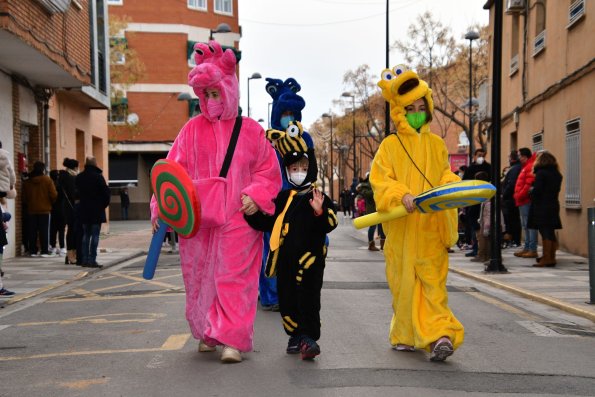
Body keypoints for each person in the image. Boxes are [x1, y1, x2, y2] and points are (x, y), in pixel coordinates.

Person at [150, 41, 281, 364]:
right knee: (200, 279)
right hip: (198, 220)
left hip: (237, 216)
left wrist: (256, 195)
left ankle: (232, 339)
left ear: (229, 90)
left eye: (215, 93)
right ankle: (209, 330)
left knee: (234, 278)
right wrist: (161, 206)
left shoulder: (250, 131)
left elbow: (268, 171)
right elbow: (172, 169)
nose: (210, 100)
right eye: (205, 94)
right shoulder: (191, 131)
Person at [372, 66, 464, 362]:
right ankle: (405, 334)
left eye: (421, 107)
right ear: (399, 111)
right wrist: (403, 195)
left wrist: (452, 189)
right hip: (401, 233)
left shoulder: (438, 146)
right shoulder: (389, 146)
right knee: (403, 287)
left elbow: (445, 175)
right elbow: (380, 180)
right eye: (409, 108)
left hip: (430, 231)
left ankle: (440, 335)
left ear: (429, 106)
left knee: (433, 286)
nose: (416, 112)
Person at [245, 121, 337, 360]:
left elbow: (331, 222)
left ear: (310, 167)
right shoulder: (284, 197)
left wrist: (319, 211)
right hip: (285, 261)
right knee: (287, 300)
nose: (298, 170)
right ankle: (295, 336)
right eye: (293, 167)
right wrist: (251, 213)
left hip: (310, 261)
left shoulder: (317, 195)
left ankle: (308, 337)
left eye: (302, 166)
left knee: (308, 300)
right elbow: (268, 222)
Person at [528, 151, 563, 267]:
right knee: (550, 230)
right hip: (553, 204)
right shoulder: (557, 174)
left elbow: (537, 190)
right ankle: (551, 257)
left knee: (545, 231)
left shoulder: (541, 173)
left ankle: (547, 258)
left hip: (542, 205)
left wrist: (531, 190)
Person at [75, 156, 110, 268]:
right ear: (95, 165)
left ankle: (84, 260)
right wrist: (101, 206)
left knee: (85, 235)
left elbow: (76, 194)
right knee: (95, 236)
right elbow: (106, 194)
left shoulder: (79, 177)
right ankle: (92, 260)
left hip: (84, 210)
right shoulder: (98, 177)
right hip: (96, 211)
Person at [22, 161, 57, 257]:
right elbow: (54, 195)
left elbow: (24, 198)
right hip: (45, 209)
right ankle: (44, 251)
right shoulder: (47, 180)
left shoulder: (27, 182)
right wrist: (50, 203)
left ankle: (33, 251)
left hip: (31, 209)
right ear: (43, 169)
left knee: (32, 231)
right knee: (44, 231)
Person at [462, 149, 491, 257]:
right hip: (473, 198)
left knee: (483, 226)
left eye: (483, 155)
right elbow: (464, 182)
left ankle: (482, 250)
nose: (481, 157)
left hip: (485, 199)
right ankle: (476, 248)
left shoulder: (488, 167)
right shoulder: (471, 168)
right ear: (474, 156)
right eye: (479, 155)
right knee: (474, 224)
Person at [513, 148, 538, 258]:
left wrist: (519, 195)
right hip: (522, 200)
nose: (518, 158)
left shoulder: (529, 167)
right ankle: (527, 247)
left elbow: (528, 184)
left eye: (519, 155)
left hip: (525, 200)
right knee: (525, 225)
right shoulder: (525, 167)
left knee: (529, 225)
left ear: (525, 156)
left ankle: (532, 248)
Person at [59, 158, 79, 265]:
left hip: (65, 207)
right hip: (71, 207)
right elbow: (73, 194)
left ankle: (69, 255)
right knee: (72, 231)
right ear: (75, 167)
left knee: (71, 230)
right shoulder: (70, 177)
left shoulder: (63, 176)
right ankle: (71, 255)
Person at [357, 174, 385, 251]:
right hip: (372, 209)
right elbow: (367, 194)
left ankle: (383, 244)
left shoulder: (376, 184)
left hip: (380, 208)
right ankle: (371, 244)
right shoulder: (366, 186)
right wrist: (375, 190)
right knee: (372, 227)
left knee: (382, 226)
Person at [501, 150, 522, 248]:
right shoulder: (515, 168)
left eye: (509, 157)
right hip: (511, 198)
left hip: (510, 199)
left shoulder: (514, 169)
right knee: (513, 220)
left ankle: (514, 240)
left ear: (512, 158)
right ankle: (514, 239)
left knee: (512, 220)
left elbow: (511, 184)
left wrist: (504, 194)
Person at [49, 170, 66, 256]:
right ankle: (62, 248)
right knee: (61, 230)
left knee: (53, 230)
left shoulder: (51, 186)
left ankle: (53, 247)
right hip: (62, 210)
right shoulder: (62, 186)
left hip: (52, 210)